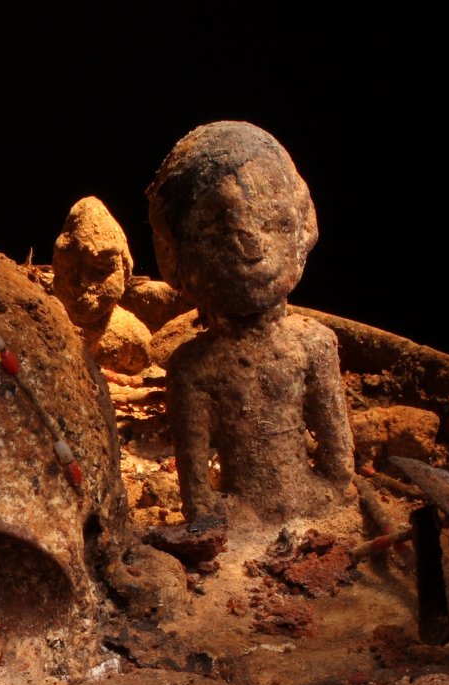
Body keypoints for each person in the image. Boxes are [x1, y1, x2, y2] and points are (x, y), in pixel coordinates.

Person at [147, 122, 354, 521]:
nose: (251, 245)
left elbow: (340, 469)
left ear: (303, 221)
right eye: (218, 227)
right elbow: (199, 498)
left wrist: (329, 496)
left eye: (270, 219)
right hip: (240, 517)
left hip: (314, 506)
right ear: (172, 251)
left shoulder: (315, 344)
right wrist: (219, 517)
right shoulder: (191, 368)